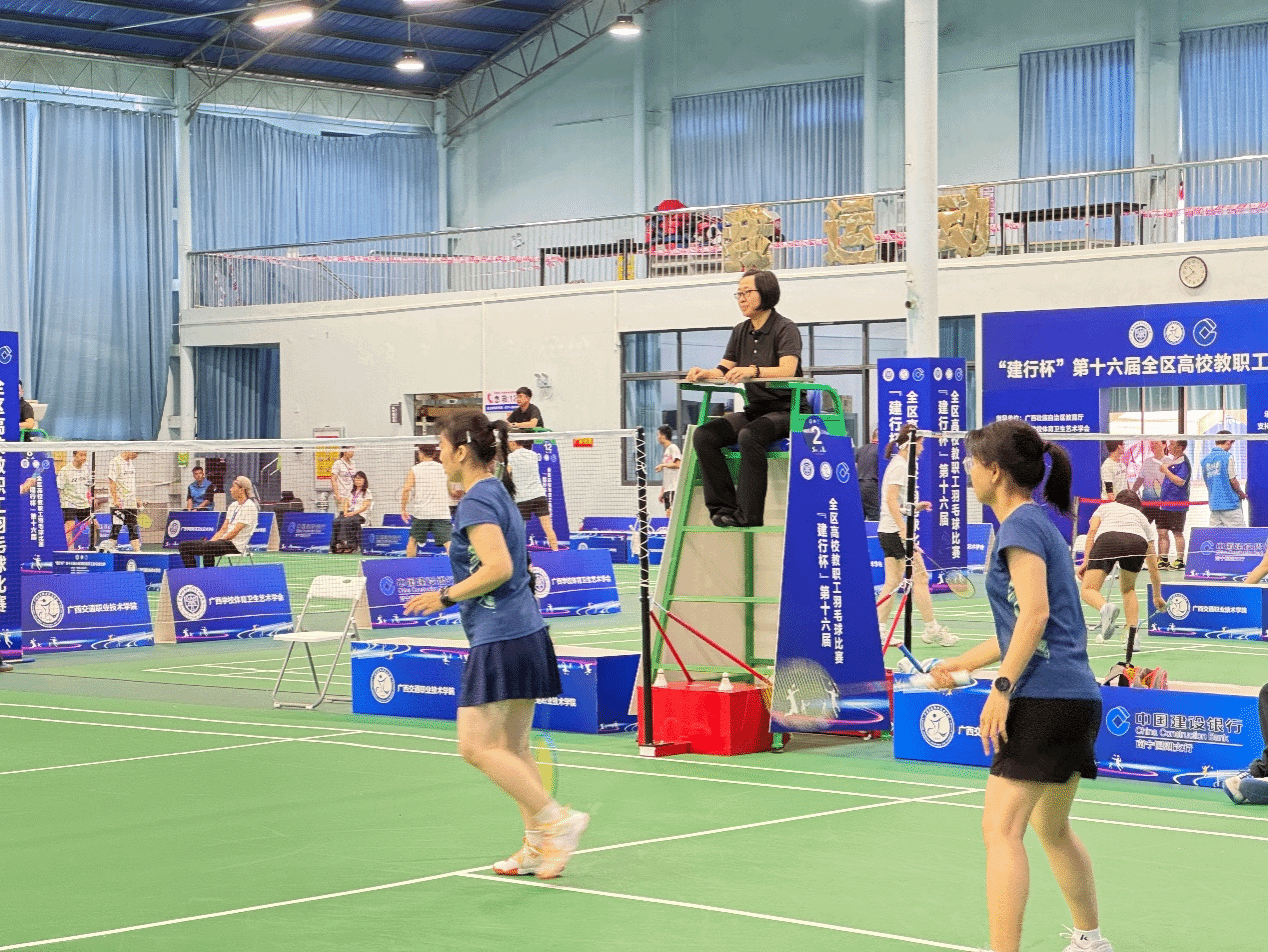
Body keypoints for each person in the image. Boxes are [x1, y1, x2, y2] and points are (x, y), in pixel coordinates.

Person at [929, 419, 1111, 952]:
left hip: (1043, 700)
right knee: (1051, 829)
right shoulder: (1035, 525)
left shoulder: (1019, 528)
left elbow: (1035, 615)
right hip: (1076, 699)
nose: (967, 471)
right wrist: (961, 663)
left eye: (972, 463)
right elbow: (1019, 627)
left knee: (1001, 831)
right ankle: (1091, 940)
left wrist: (1001, 688)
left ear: (995, 471)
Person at [402, 410, 586, 879]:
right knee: (513, 747)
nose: (440, 456)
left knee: (475, 746)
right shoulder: (497, 492)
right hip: (524, 630)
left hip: (501, 635)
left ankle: (557, 821)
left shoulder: (477, 501)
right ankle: (538, 845)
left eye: (443, 448)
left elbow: (499, 567)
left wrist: (445, 596)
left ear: (462, 451)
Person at [685, 269, 802, 528]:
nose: (741, 298)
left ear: (766, 293)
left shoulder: (785, 328)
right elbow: (723, 369)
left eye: (747, 292)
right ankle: (722, 508)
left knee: (749, 435)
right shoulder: (740, 331)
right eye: (738, 293)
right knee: (705, 435)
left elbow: (788, 369)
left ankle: (749, 514)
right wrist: (704, 373)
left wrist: (753, 371)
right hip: (756, 409)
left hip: (788, 410)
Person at [874, 424, 958, 647]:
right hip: (896, 532)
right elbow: (890, 500)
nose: (923, 447)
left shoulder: (899, 464)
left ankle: (878, 630)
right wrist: (903, 529)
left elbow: (895, 502)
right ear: (910, 444)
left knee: (892, 581)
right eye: (921, 443)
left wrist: (915, 507)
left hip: (888, 530)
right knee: (920, 578)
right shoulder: (900, 466)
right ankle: (932, 630)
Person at [1077, 490, 1165, 645]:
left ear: (1116, 500)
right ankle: (1132, 638)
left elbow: (1092, 531)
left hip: (1108, 539)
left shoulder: (1105, 508)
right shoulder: (1141, 518)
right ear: (1137, 505)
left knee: (1088, 589)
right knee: (1128, 589)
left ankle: (1105, 608)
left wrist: (1086, 561)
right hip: (1137, 541)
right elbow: (1153, 565)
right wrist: (1157, 596)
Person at [178, 476, 260, 568]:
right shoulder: (233, 505)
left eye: (233, 487)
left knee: (209, 547)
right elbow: (223, 529)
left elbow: (234, 532)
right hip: (223, 542)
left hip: (235, 546)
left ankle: (209, 573)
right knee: (183, 546)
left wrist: (213, 543)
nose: (230, 490)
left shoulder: (249, 507)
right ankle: (192, 573)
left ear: (242, 490)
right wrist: (212, 541)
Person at [507, 440, 559, 551]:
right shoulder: (533, 455)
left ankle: (520, 555)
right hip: (539, 495)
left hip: (522, 498)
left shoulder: (511, 457)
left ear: (513, 443)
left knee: (520, 530)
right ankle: (556, 551)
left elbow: (507, 474)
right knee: (548, 527)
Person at [402, 445, 452, 556]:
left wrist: (403, 509)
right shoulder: (443, 468)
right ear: (434, 454)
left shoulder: (415, 469)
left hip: (422, 513)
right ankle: (456, 566)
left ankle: (410, 565)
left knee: (413, 540)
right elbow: (450, 488)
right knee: (448, 542)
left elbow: (406, 489)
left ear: (420, 453)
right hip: (441, 513)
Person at [1156, 440, 1192, 569]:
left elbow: (1180, 481)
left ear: (1180, 447)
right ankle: (1163, 560)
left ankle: (1180, 561)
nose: (1169, 446)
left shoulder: (1184, 463)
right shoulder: (1173, 461)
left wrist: (1166, 471)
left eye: (1172, 444)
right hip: (1164, 504)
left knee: (1177, 533)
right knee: (1162, 531)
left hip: (1177, 505)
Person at [1202, 431, 1246, 527]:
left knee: (1216, 535)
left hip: (1215, 504)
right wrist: (1241, 493)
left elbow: (1207, 481)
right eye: (1232, 442)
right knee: (1240, 534)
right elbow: (1233, 480)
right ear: (1228, 441)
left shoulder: (1205, 460)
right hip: (1230, 504)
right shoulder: (1227, 457)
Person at [105, 450, 141, 553]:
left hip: (131, 503)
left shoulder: (131, 464)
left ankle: (138, 552)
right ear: (128, 450)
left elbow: (130, 484)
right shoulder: (115, 462)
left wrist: (135, 498)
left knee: (133, 528)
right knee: (116, 528)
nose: (136, 455)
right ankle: (109, 552)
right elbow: (112, 482)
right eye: (135, 452)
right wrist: (115, 499)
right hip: (119, 503)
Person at [58, 449, 93, 549]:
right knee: (70, 526)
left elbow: (88, 486)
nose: (84, 458)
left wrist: (90, 498)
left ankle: (92, 547)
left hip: (83, 503)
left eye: (85, 455)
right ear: (74, 456)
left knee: (95, 526)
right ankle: (70, 550)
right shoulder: (65, 471)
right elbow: (59, 488)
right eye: (81, 455)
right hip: (69, 503)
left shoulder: (87, 469)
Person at [332, 471, 373, 554]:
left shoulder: (367, 492)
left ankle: (350, 546)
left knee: (347, 521)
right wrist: (345, 512)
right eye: (356, 479)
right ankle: (338, 544)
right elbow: (346, 503)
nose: (357, 481)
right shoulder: (351, 491)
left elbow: (364, 507)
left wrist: (353, 513)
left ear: (364, 480)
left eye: (360, 479)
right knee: (336, 521)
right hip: (349, 513)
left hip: (360, 515)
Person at [1132, 440, 1166, 524]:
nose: (1153, 445)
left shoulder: (1170, 461)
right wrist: (1131, 493)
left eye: (1156, 443)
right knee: (1141, 527)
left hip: (1163, 505)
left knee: (1162, 531)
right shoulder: (1147, 461)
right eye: (1152, 443)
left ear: (1164, 445)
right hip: (1147, 503)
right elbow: (1140, 479)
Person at [655, 424, 682, 518]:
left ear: (663, 436)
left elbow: (678, 464)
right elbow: (667, 474)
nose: (657, 437)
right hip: (668, 489)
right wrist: (662, 491)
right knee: (668, 514)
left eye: (658, 435)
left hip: (673, 488)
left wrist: (663, 465)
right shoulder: (666, 451)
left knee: (671, 515)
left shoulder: (673, 448)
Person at [856, 428, 881, 522]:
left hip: (859, 484)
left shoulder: (861, 449)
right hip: (872, 485)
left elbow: (855, 466)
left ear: (872, 437)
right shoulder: (880, 450)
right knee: (874, 516)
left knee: (860, 516)